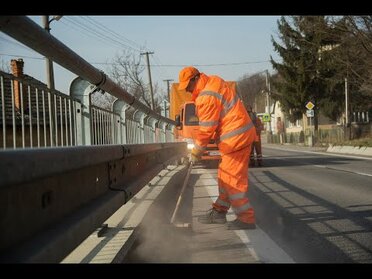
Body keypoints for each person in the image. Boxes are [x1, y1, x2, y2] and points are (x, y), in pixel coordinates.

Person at [178, 66, 257, 230]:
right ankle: (219, 212)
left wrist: (196, 151)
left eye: (188, 86)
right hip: (236, 138)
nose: (187, 90)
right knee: (224, 177)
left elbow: (206, 129)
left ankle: (246, 219)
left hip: (236, 139)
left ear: (195, 79)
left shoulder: (206, 97)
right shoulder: (214, 81)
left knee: (233, 182)